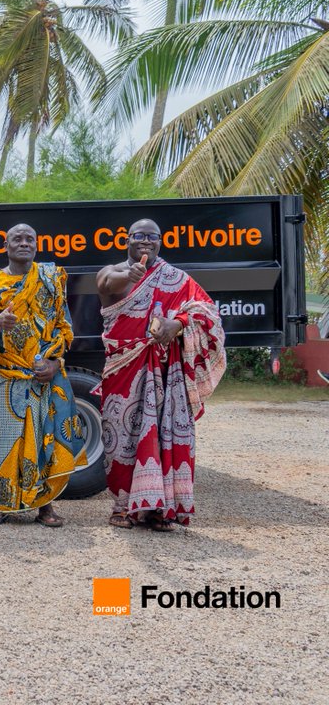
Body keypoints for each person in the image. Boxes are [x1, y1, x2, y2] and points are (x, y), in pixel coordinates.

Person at [96, 218, 226, 531]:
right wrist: (129, 274)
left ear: (160, 241)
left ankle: (160, 509)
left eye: (152, 237)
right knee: (121, 438)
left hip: (168, 372)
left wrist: (178, 324)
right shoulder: (113, 271)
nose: (145, 241)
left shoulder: (177, 279)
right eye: (138, 236)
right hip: (123, 369)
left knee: (162, 437)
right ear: (126, 239)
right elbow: (105, 284)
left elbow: (207, 312)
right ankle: (123, 506)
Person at [0, 223, 87, 528]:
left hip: (43, 377)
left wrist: (54, 362)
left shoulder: (50, 280)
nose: (23, 243)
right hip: (4, 377)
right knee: (2, 443)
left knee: (45, 442)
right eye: (16, 239)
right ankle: (0, 504)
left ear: (36, 245)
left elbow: (64, 327)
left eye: (29, 239)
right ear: (5, 246)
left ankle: (45, 506)